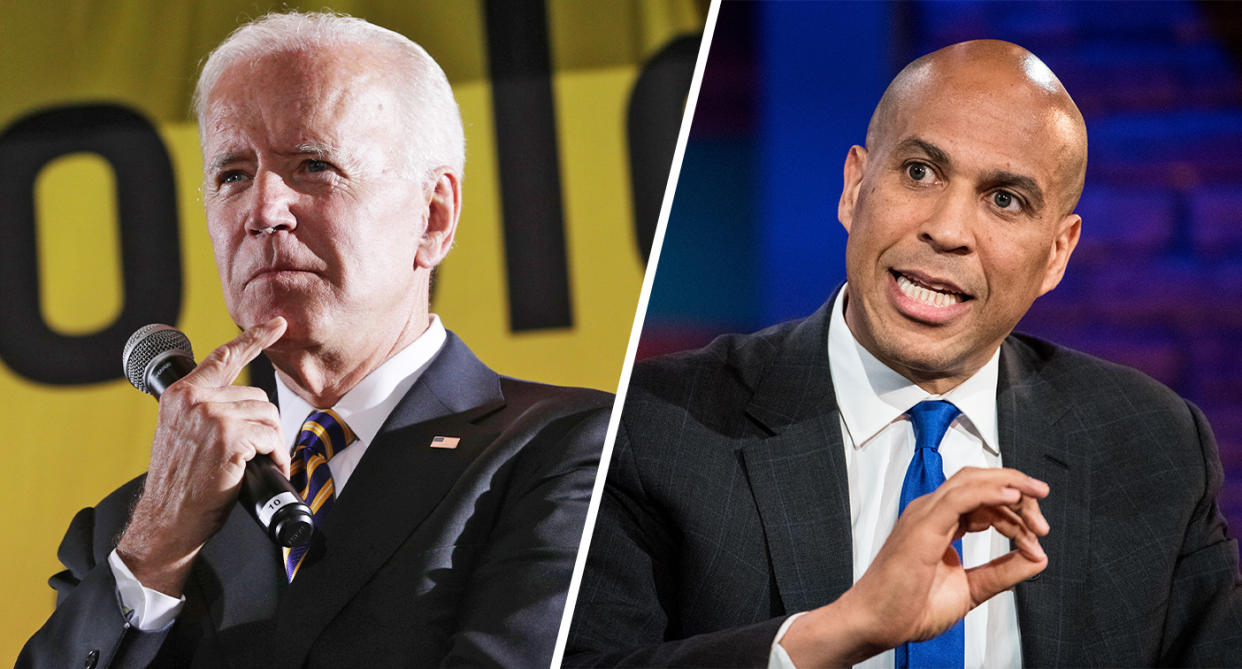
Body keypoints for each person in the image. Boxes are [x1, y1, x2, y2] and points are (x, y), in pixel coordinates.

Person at [565, 40, 1242, 668]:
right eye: (919, 171)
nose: (947, 230)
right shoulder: (654, 430)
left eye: (1004, 199)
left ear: (1057, 253)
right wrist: (840, 629)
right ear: (855, 187)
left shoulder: (1154, 444)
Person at [18, 12, 609, 669]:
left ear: (433, 216)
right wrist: (158, 542)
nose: (263, 209)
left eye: (313, 165)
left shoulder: (570, 448)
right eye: (232, 176)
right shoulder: (130, 525)